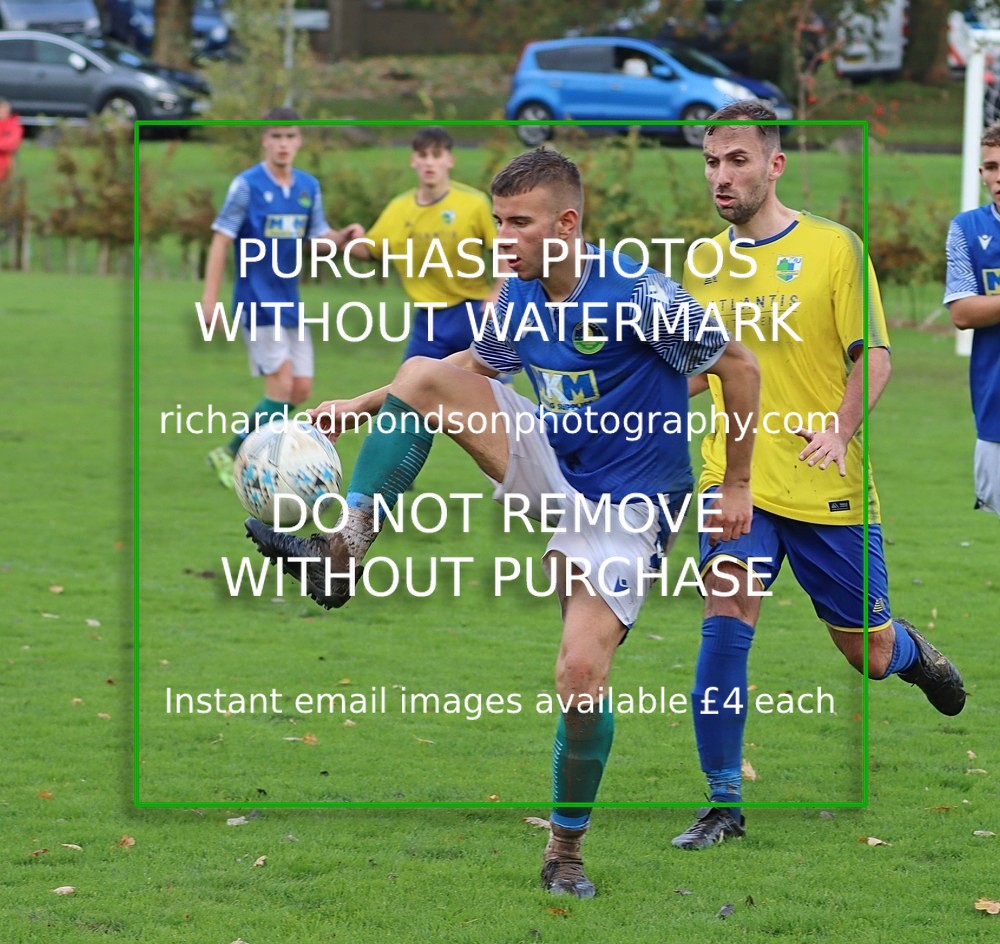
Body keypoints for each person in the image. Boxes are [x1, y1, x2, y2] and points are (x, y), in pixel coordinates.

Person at [245, 147, 761, 898]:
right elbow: (474, 368)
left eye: (518, 224)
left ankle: (565, 849)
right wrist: (363, 404)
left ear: (568, 222)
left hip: (631, 503)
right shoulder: (518, 296)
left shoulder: (637, 292)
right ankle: (342, 550)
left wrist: (737, 483)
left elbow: (738, 366)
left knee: (580, 676)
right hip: (552, 460)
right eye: (498, 222)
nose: (502, 238)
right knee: (423, 373)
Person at [672, 101, 967, 852]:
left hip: (824, 475)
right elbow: (698, 375)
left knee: (863, 651)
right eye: (711, 162)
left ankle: (913, 655)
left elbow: (875, 354)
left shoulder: (835, 248)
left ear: (774, 165)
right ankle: (723, 803)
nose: (722, 176)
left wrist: (839, 428)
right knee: (725, 618)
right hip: (734, 477)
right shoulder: (702, 263)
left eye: (737, 160)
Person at [202, 108, 357, 488]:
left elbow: (318, 239)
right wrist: (209, 301)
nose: (283, 144)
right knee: (282, 386)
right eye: (277, 137)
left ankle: (241, 449)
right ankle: (248, 459)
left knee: (301, 389)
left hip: (290, 300)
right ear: (265, 140)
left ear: (299, 141)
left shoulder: (307, 187)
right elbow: (221, 240)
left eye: (290, 137)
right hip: (256, 299)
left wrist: (343, 239)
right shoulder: (246, 186)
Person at [341, 126, 506, 362]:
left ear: (449, 160)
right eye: (423, 155)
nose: (429, 163)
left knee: (488, 391)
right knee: (408, 392)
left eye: (436, 156)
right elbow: (370, 249)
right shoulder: (399, 208)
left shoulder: (474, 203)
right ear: (413, 160)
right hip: (427, 319)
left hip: (470, 312)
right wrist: (348, 241)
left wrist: (498, 291)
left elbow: (503, 246)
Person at [944, 121, 1000, 517]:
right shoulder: (967, 229)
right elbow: (963, 312)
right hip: (995, 409)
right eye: (992, 166)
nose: (999, 177)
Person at [0, 99, 23, 184]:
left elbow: (11, 144)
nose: (3, 111)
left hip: (6, 167)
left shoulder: (13, 124)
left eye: (5, 109)